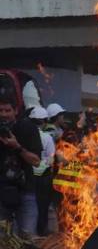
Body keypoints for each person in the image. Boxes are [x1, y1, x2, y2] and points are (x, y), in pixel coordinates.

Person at [0, 97, 42, 237]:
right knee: (4, 241)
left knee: (28, 236)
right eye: (0, 110)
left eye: (7, 110)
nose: (4, 114)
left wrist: (16, 147)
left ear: (16, 110)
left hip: (25, 192)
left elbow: (36, 161)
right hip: (1, 193)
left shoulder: (27, 129)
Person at [29, 106, 56, 236]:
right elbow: (51, 160)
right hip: (43, 177)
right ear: (44, 121)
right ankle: (40, 233)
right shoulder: (47, 138)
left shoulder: (23, 135)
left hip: (28, 177)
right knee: (43, 207)